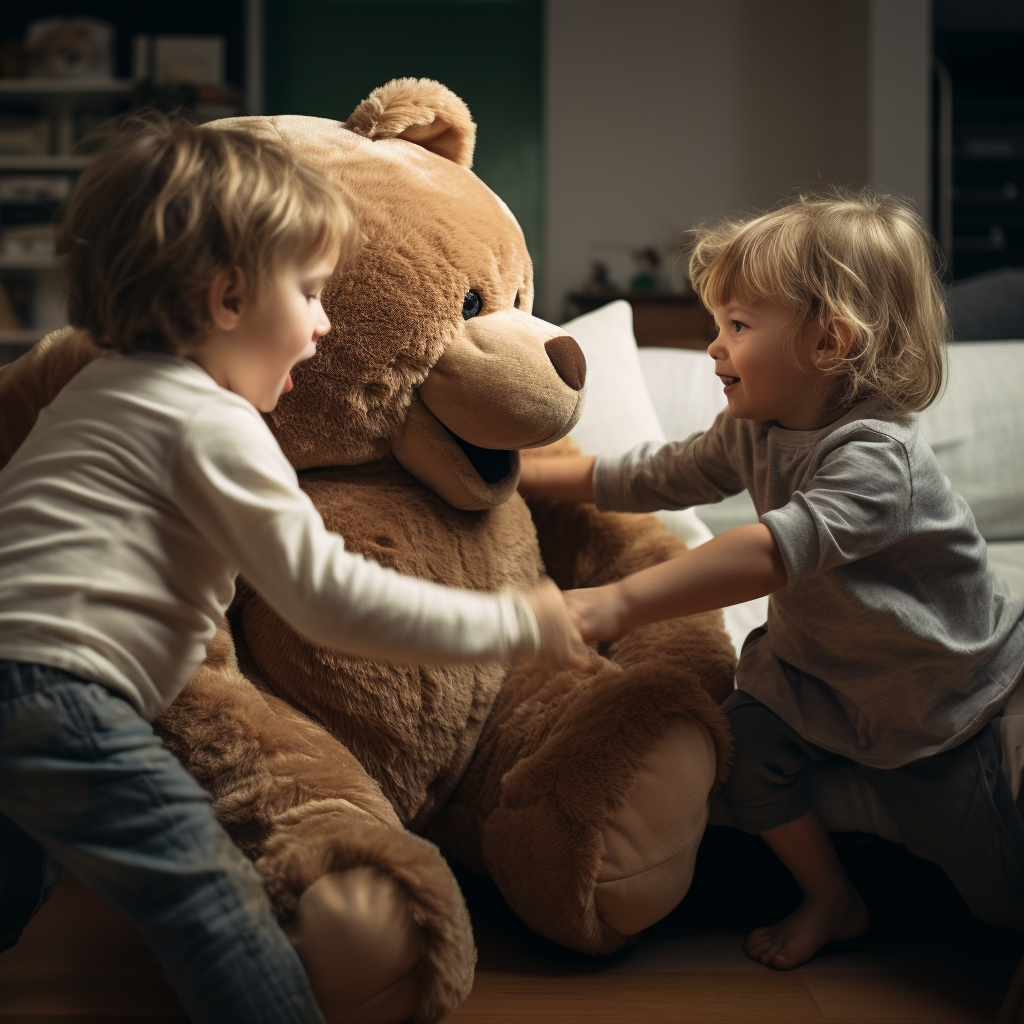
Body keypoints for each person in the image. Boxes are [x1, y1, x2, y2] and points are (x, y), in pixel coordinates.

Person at [0, 113, 587, 1024]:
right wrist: (517, 621)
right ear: (230, 298)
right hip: (61, 692)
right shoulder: (216, 421)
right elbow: (326, 598)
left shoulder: (93, 390)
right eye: (312, 293)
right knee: (206, 899)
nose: (322, 326)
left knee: (17, 867)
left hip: (20, 680)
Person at [519, 192, 1024, 969]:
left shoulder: (878, 461)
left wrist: (612, 603)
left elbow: (769, 552)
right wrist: (529, 477)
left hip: (929, 696)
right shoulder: (754, 428)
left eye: (739, 327)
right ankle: (833, 898)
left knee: (997, 901)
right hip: (811, 670)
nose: (713, 347)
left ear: (828, 342)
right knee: (743, 757)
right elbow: (660, 474)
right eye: (718, 323)